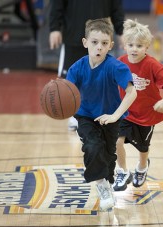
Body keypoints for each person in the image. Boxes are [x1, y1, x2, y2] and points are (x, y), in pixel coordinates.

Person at [66, 18, 137, 210]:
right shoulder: (77, 68)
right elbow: (66, 93)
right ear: (85, 43)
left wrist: (115, 116)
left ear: (111, 46)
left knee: (108, 156)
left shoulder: (116, 67)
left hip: (110, 117)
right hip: (86, 116)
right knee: (92, 146)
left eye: (104, 43)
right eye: (94, 42)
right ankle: (101, 186)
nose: (99, 47)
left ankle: (107, 183)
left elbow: (132, 92)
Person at [112, 19, 163, 191]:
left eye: (139, 46)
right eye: (131, 45)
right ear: (124, 45)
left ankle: (142, 167)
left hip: (146, 115)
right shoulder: (120, 62)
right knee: (117, 140)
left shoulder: (152, 64)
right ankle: (123, 171)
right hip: (126, 112)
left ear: (147, 47)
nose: (134, 49)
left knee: (143, 148)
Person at [48, 0, 125, 131]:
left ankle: (97, 114)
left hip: (100, 38)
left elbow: (116, 6)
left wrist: (121, 30)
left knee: (100, 78)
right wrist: (55, 28)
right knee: (72, 80)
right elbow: (57, 4)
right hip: (73, 35)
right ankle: (75, 114)